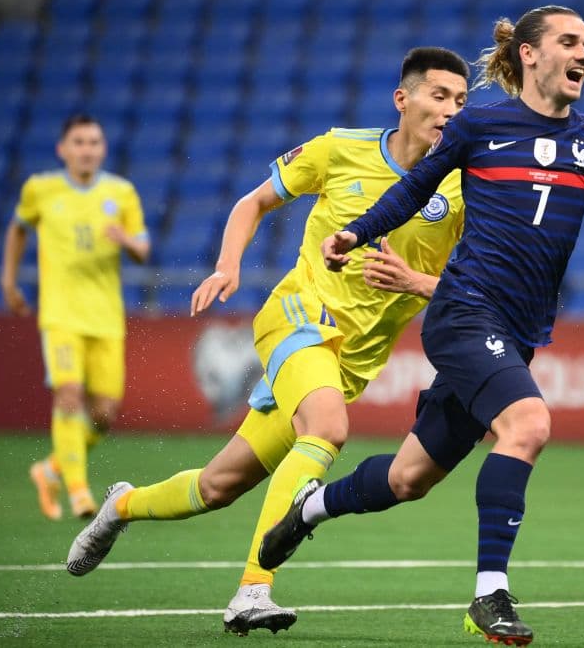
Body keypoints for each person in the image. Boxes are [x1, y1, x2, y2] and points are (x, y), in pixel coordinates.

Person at [261, 5, 584, 647]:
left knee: (407, 479)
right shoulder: (480, 124)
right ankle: (489, 596)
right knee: (528, 425)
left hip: (518, 331)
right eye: (569, 41)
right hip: (464, 312)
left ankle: (309, 507)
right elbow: (413, 190)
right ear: (529, 53)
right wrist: (358, 231)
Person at [64, 47, 471, 637]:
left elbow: (471, 285)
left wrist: (416, 283)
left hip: (350, 361)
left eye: (461, 101)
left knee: (216, 487)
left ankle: (120, 506)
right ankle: (253, 589)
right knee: (327, 428)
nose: (451, 111)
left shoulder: (461, 188)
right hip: (296, 316)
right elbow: (253, 201)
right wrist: (228, 265)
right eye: (439, 97)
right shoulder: (339, 148)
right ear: (403, 99)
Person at [1, 114, 151, 522]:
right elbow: (17, 229)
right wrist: (9, 281)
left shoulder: (121, 193)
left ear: (103, 149)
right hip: (61, 315)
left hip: (105, 317)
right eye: (79, 142)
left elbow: (143, 248)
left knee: (103, 415)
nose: (87, 149)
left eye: (94, 142)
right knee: (68, 396)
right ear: (62, 149)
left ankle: (50, 469)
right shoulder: (41, 190)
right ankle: (79, 492)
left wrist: (126, 241)